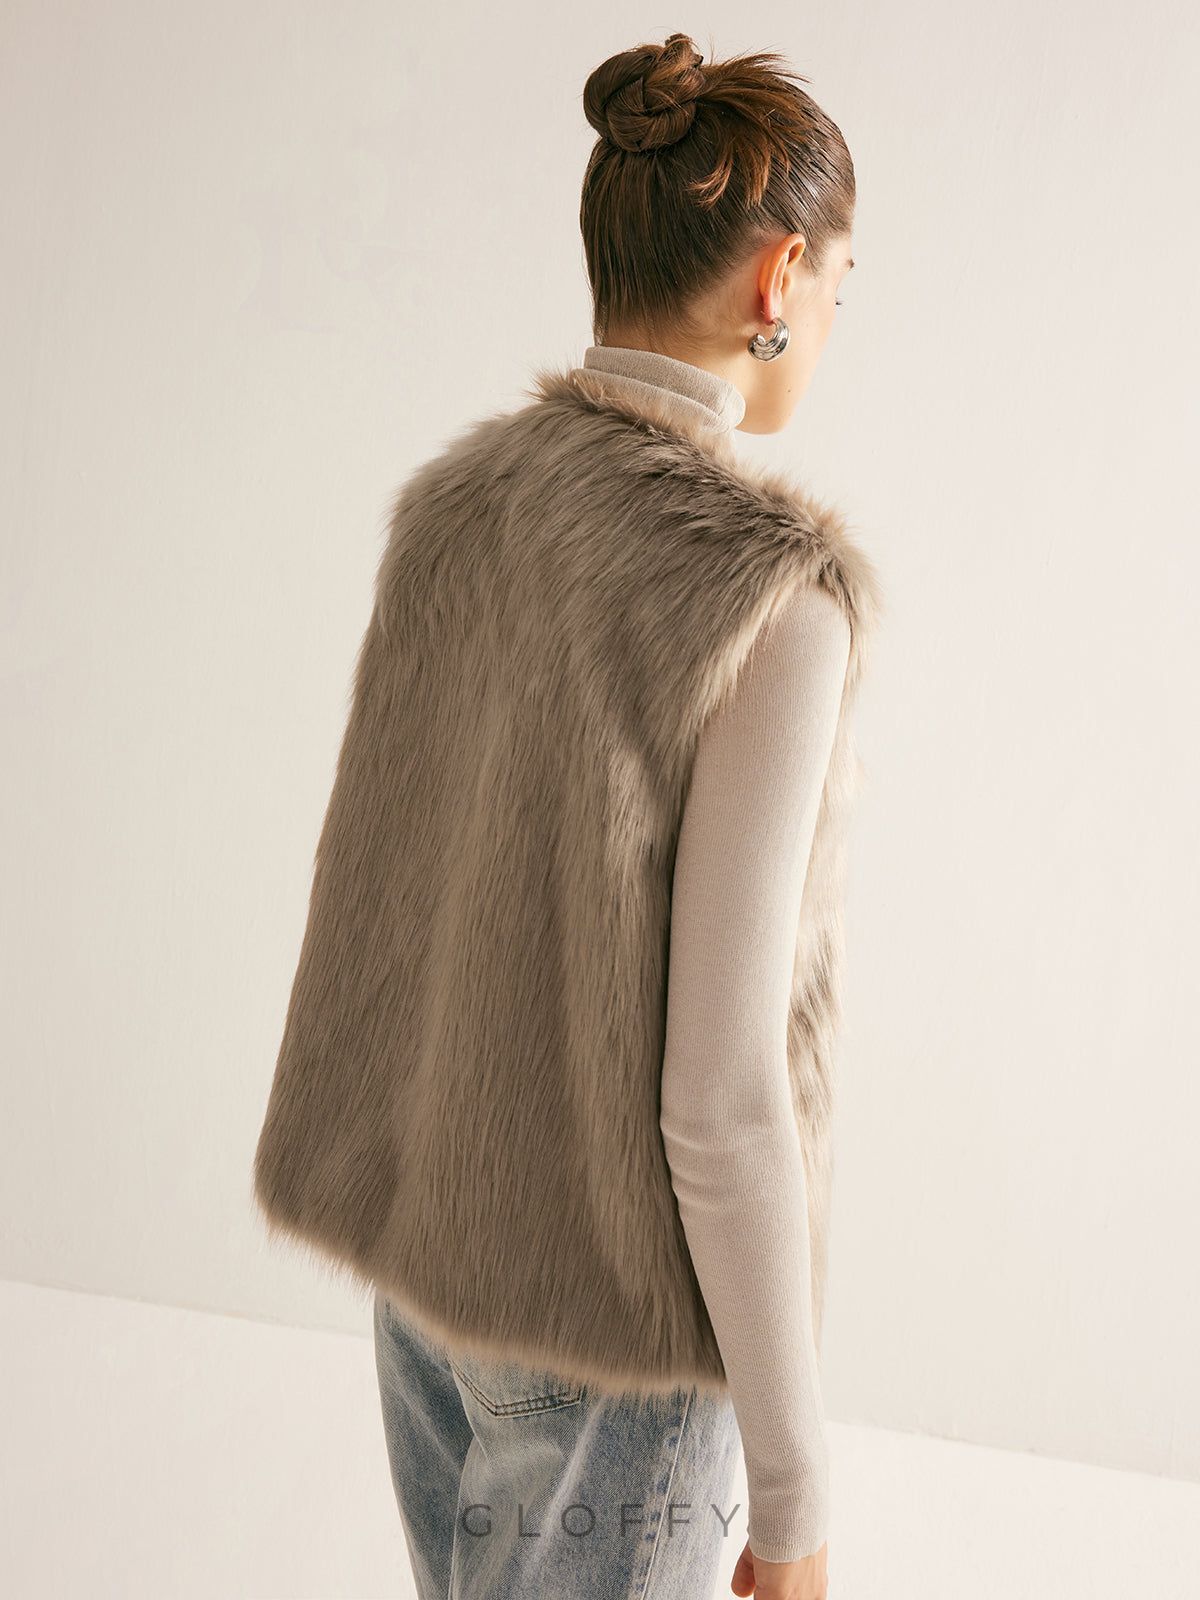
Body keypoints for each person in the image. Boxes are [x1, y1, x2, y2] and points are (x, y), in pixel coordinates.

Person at [252, 31, 882, 1600]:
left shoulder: (455, 515)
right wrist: (796, 1497)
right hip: (610, 1335)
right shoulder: (768, 604)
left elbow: (390, 897)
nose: (833, 321)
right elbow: (721, 1102)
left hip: (428, 1281)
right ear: (780, 277)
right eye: (842, 287)